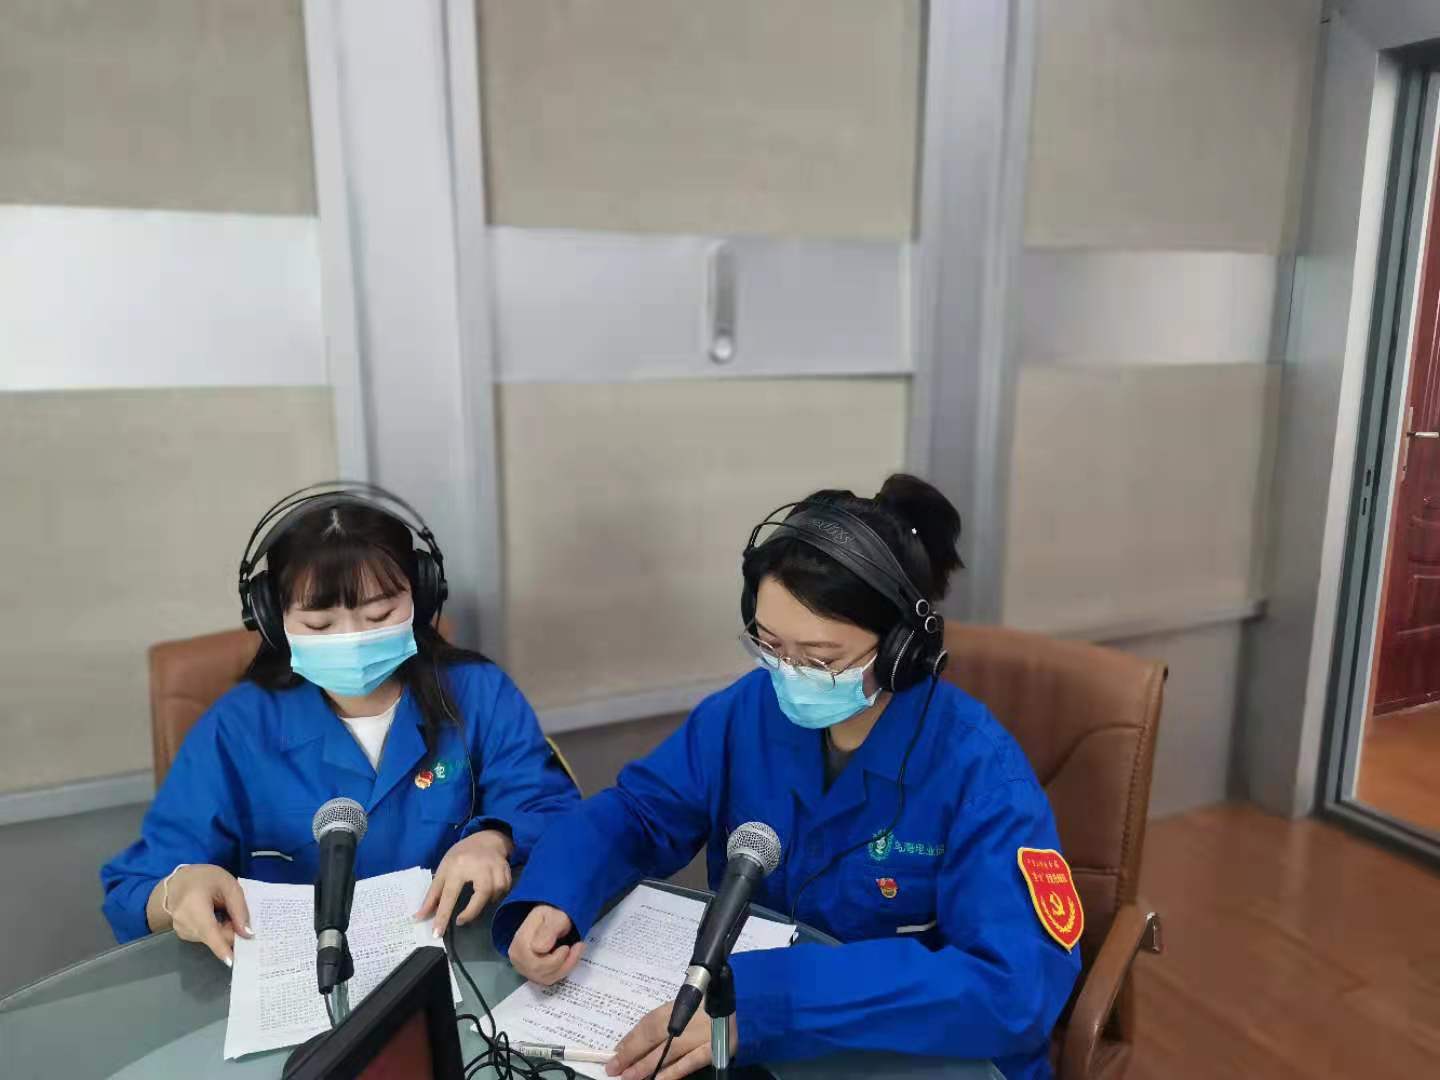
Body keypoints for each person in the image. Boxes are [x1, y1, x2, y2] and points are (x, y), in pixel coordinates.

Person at [493, 475, 1081, 1080]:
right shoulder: (746, 712)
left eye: (821, 659)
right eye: (771, 646)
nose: (791, 675)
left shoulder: (981, 774)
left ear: (900, 651)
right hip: (754, 1041)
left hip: (912, 1057)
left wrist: (772, 1003)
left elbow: (1014, 989)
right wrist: (556, 894)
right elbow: (639, 813)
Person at [101, 483, 580, 965]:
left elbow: (554, 811)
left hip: (459, 963)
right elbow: (135, 886)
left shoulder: (478, 693)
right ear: (271, 617)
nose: (353, 640)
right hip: (299, 980)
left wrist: (494, 839)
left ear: (420, 594)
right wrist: (177, 891)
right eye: (320, 625)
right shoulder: (236, 728)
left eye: (379, 614)